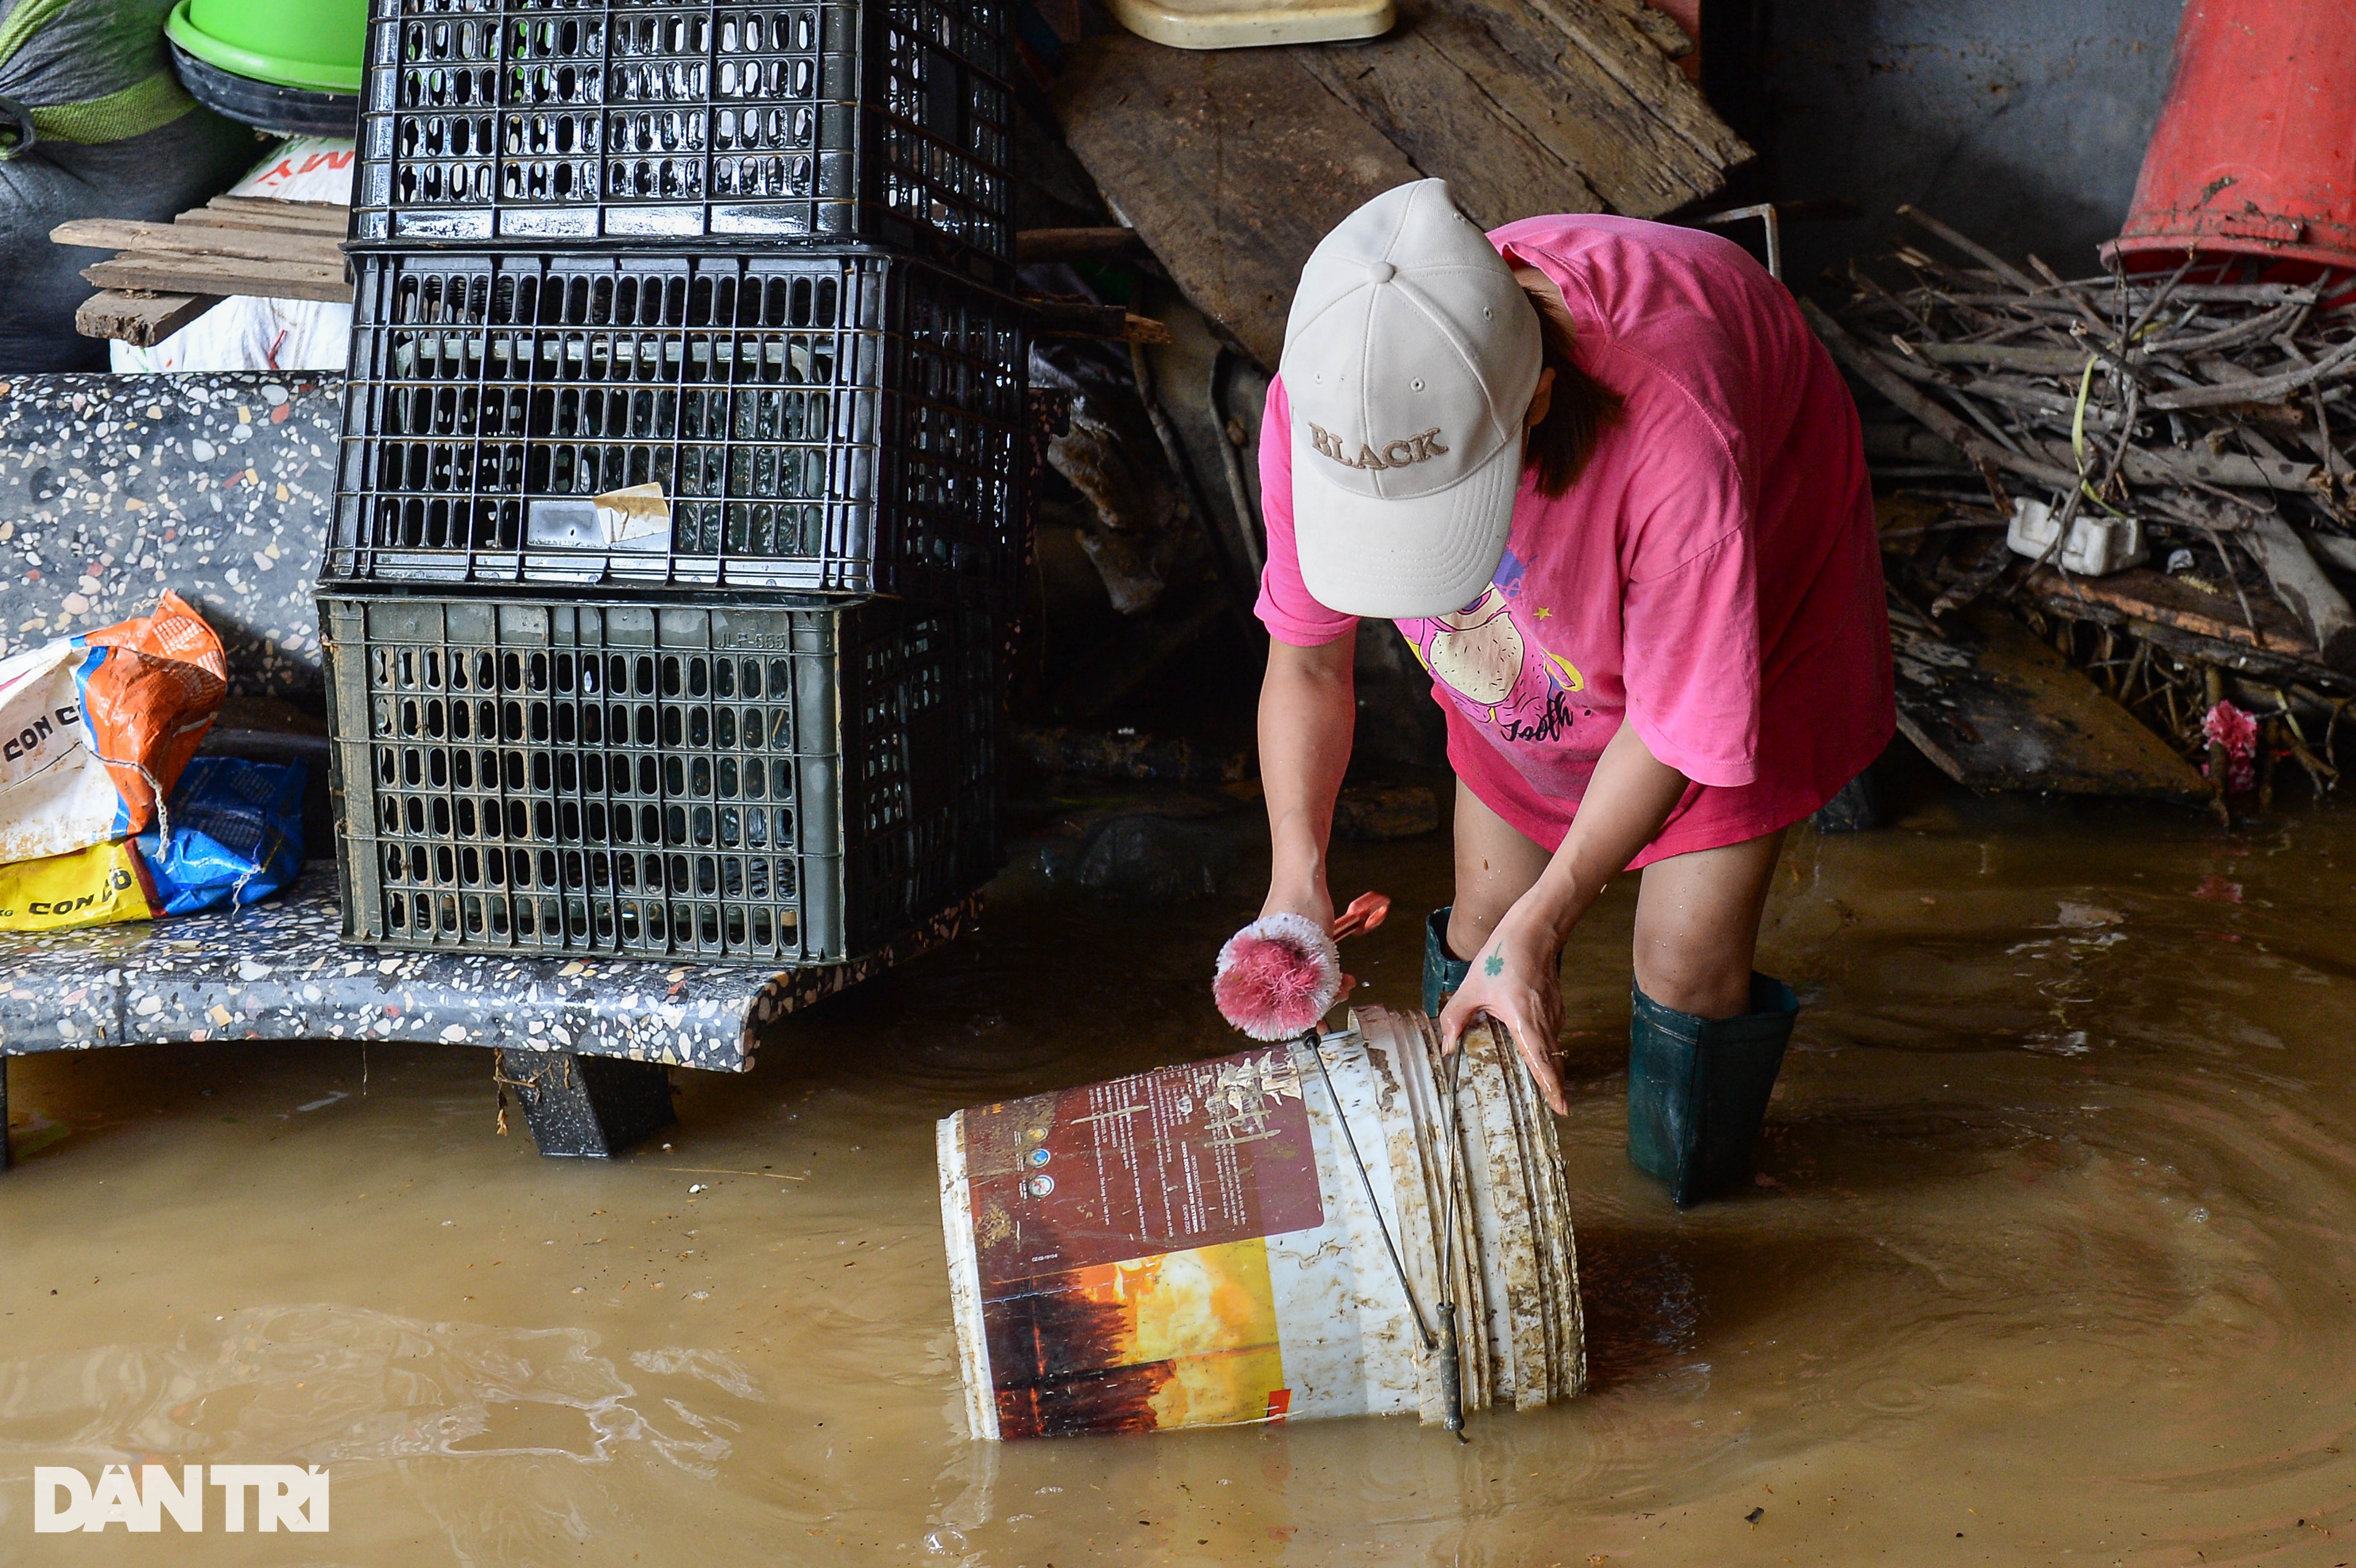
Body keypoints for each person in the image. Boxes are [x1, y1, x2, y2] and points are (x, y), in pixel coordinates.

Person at [1251, 179, 1894, 1206]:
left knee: (1681, 962)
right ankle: (1462, 1188)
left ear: (1537, 400)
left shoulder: (1679, 438)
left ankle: (1695, 1208)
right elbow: (1308, 657)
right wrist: (1297, 872)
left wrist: (1552, 920)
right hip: (1554, 558)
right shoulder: (1328, 399)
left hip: (1755, 498)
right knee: (1484, 921)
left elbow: (1677, 724)